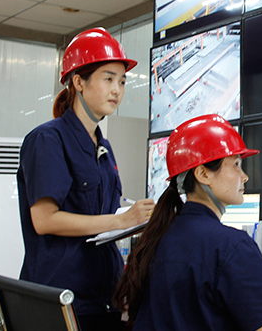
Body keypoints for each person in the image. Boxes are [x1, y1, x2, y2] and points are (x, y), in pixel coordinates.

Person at [113, 114, 262, 331]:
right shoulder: (231, 246)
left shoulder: (158, 237)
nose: (244, 176)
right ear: (203, 174)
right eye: (236, 165)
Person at [17, 28, 155, 331]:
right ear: (79, 82)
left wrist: (138, 220)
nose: (117, 90)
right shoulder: (47, 140)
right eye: (108, 79)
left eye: (122, 81)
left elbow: (101, 218)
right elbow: (45, 220)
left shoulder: (103, 148)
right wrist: (120, 221)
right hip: (60, 301)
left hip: (103, 299)